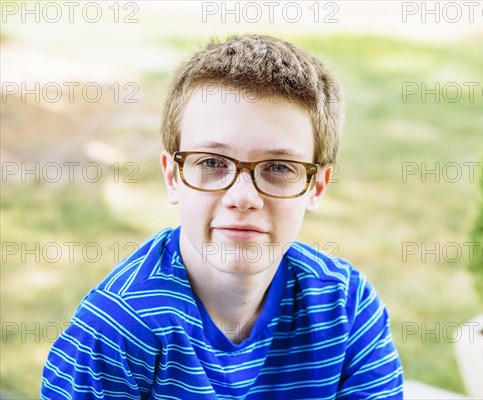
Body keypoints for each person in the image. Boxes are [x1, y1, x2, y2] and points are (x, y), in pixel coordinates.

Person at [41, 34, 403, 399]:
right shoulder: (117, 330)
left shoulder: (346, 306)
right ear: (173, 177)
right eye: (212, 163)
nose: (243, 198)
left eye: (278, 167)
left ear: (316, 187)